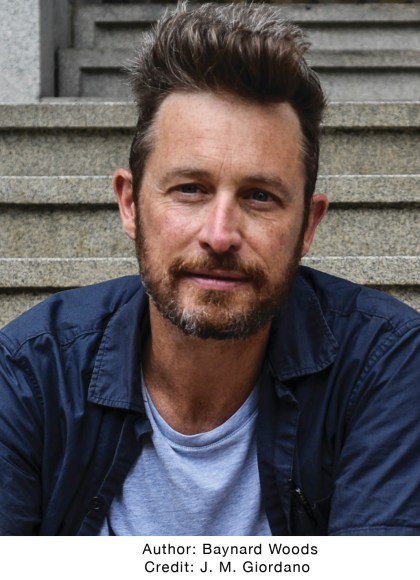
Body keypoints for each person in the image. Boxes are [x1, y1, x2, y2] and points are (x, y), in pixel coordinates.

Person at [0, 2, 419, 537]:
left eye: (260, 196)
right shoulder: (33, 374)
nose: (220, 236)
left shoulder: (384, 365)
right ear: (130, 204)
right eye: (190, 189)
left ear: (308, 225)